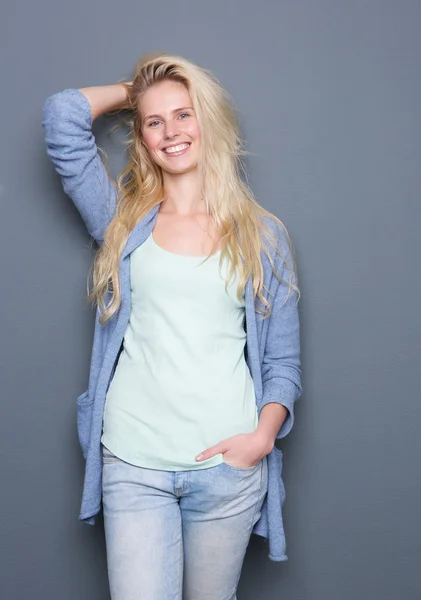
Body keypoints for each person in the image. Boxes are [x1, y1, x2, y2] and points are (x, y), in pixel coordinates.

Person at [42, 52, 302, 600]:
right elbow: (63, 119)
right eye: (154, 122)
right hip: (134, 464)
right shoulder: (122, 222)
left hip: (226, 471)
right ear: (142, 136)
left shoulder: (263, 237)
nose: (171, 132)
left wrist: (260, 438)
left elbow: (283, 362)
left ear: (209, 121)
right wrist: (133, 90)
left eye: (185, 114)